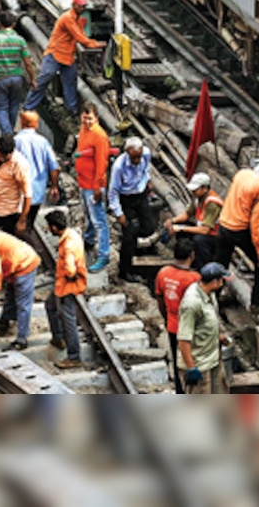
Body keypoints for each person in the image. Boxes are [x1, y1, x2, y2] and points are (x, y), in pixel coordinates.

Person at [216, 149, 259, 309]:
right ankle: (258, 302)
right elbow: (257, 222)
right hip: (239, 229)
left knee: (220, 264)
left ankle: (212, 297)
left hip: (224, 223)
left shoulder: (243, 174)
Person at [23, 0, 104, 115]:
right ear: (74, 5)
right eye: (81, 6)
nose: (82, 9)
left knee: (70, 82)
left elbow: (81, 35)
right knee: (44, 79)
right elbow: (81, 38)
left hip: (67, 56)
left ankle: (72, 109)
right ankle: (28, 107)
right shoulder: (67, 18)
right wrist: (97, 44)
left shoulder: (78, 19)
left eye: (83, 7)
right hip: (55, 54)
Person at [177, 262, 232, 394]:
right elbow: (184, 339)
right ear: (214, 281)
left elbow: (206, 323)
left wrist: (218, 337)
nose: (223, 282)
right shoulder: (192, 304)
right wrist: (191, 368)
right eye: (222, 280)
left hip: (213, 359)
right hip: (199, 365)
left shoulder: (209, 293)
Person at [154, 237, 201, 391]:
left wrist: (167, 317)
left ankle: (180, 390)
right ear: (192, 255)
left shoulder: (163, 273)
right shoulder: (194, 278)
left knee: (176, 360)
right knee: (193, 362)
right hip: (191, 329)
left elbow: (160, 299)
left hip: (172, 325)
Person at [44, 210, 87, 370]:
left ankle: (74, 356)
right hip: (61, 286)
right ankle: (58, 337)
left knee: (68, 320)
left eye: (49, 226)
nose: (48, 229)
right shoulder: (72, 235)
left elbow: (70, 270)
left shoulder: (67, 245)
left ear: (55, 227)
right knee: (50, 305)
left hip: (66, 287)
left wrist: (69, 275)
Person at [108, 137, 154, 284]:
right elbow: (113, 192)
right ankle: (125, 270)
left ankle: (136, 245)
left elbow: (147, 168)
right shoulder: (119, 167)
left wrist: (147, 180)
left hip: (141, 194)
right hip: (126, 198)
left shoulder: (146, 154)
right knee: (130, 232)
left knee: (148, 228)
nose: (136, 161)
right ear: (127, 153)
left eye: (138, 157)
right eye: (134, 157)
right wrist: (119, 213)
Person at [0, 11, 34, 135]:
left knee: (1, 108)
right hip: (16, 77)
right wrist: (32, 78)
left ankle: (7, 134)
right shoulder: (20, 40)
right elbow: (27, 62)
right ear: (14, 24)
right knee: (14, 107)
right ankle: (9, 132)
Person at [75, 104, 112, 273]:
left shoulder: (99, 136)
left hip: (93, 185)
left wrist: (97, 187)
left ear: (96, 118)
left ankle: (104, 255)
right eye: (85, 118)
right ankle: (88, 240)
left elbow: (101, 163)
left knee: (99, 221)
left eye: (90, 118)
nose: (87, 121)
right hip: (83, 182)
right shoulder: (83, 129)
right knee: (88, 215)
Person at [165, 172, 224, 270]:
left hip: (215, 236)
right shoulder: (198, 198)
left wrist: (181, 228)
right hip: (202, 230)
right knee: (182, 227)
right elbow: (187, 214)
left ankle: (202, 267)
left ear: (204, 188)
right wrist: (173, 220)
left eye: (195, 190)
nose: (193, 192)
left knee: (199, 240)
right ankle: (184, 257)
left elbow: (205, 230)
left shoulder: (212, 204)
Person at [0, 133, 32, 238]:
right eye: (2, 154)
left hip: (10, 211)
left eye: (6, 155)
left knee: (10, 242)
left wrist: (22, 220)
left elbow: (27, 194)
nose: (3, 157)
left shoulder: (19, 165)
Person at [14, 111, 60, 217]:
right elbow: (54, 166)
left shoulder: (16, 141)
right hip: (38, 191)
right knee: (30, 220)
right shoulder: (43, 142)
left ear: (21, 122)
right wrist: (54, 186)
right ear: (36, 124)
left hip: (20, 191)